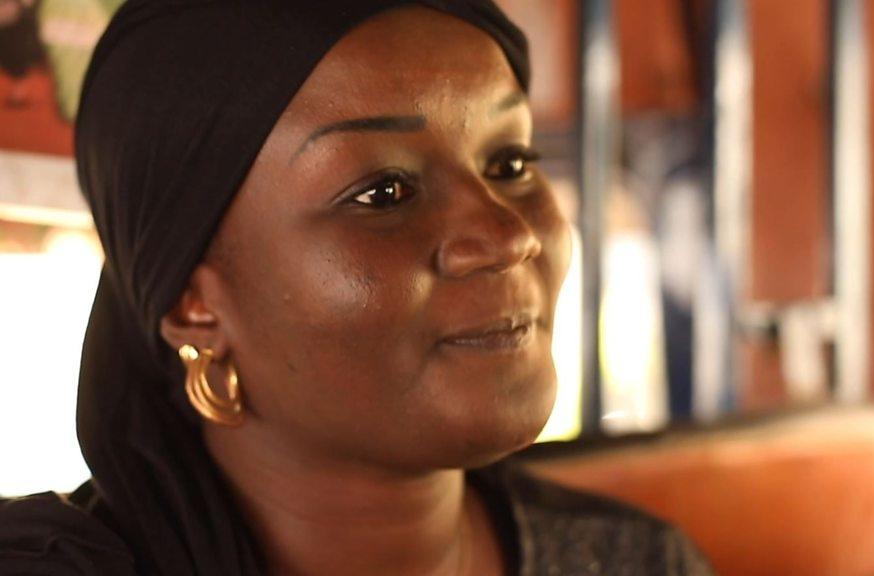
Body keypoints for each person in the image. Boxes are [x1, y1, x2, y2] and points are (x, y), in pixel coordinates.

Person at [0, 1, 713, 574]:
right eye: (385, 192)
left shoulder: (636, 561)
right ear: (195, 302)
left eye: (510, 162)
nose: (508, 236)